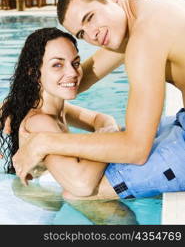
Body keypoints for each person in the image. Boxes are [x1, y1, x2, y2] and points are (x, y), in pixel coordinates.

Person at [9, 0, 185, 199]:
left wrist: (44, 142)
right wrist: (16, 103)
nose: (92, 34)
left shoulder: (144, 40)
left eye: (90, 17)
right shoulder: (153, 11)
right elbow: (74, 78)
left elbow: (136, 150)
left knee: (79, 193)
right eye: (81, 34)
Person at [0, 27, 138, 224]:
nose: (72, 73)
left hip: (41, 203)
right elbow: (83, 184)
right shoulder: (40, 121)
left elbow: (102, 119)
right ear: (33, 72)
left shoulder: (59, 109)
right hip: (25, 218)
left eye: (76, 63)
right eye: (57, 65)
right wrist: (110, 140)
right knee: (121, 219)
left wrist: (107, 133)